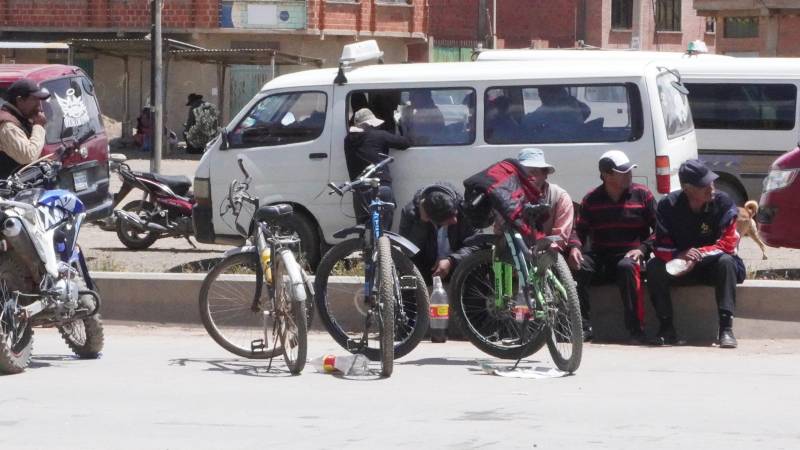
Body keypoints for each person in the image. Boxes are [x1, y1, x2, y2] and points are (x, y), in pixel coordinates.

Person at [647, 159, 745, 349]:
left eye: (711, 181)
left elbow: (729, 243)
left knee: (727, 262)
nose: (711, 187)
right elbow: (659, 245)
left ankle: (726, 329)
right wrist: (680, 256)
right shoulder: (668, 205)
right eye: (704, 185)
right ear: (687, 188)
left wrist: (698, 254)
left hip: (712, 266)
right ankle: (666, 328)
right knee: (654, 267)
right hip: (679, 267)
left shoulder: (723, 202)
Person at [568, 150, 657, 343]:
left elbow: (660, 230)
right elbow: (578, 230)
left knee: (627, 266)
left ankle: (636, 330)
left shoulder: (643, 195)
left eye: (629, 171)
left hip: (630, 256)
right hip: (601, 256)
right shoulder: (591, 199)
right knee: (578, 266)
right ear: (606, 175)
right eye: (622, 172)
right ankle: (583, 326)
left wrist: (642, 249)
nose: (629, 175)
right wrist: (574, 247)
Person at [399, 182, 481, 284]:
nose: (455, 220)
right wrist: (422, 223)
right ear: (431, 218)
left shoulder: (464, 208)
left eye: (455, 214)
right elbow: (406, 252)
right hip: (426, 271)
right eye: (448, 218)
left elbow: (478, 244)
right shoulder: (410, 213)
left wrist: (451, 260)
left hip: (459, 268)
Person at [344, 108, 411, 229]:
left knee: (364, 229)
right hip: (380, 186)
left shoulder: (347, 140)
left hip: (359, 188)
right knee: (383, 230)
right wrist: (400, 123)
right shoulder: (379, 136)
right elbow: (405, 143)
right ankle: (382, 247)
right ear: (370, 123)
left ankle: (366, 247)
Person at [515, 148, 574, 244]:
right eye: (523, 172)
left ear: (545, 174)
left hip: (548, 251)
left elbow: (560, 238)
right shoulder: (508, 196)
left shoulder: (560, 197)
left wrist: (542, 250)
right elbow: (500, 231)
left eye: (534, 172)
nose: (529, 176)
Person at [0, 79, 50, 178]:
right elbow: (28, 157)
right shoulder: (8, 126)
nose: (39, 105)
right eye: (34, 99)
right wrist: (39, 126)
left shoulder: (22, 118)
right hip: (7, 189)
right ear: (19, 100)